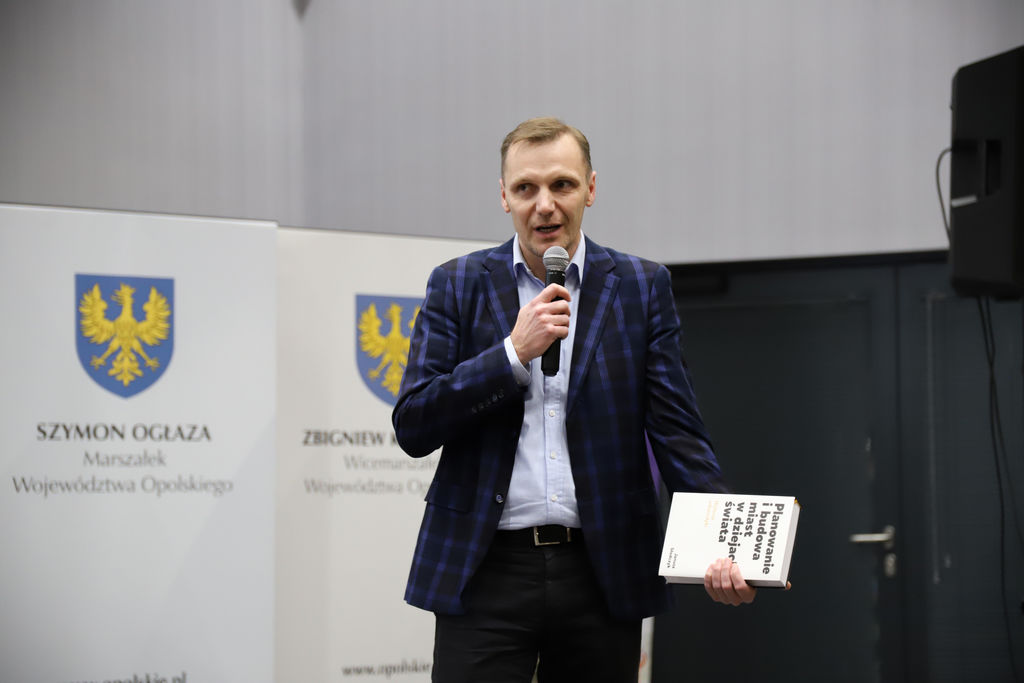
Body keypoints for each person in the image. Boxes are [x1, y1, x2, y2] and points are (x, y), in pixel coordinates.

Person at [392, 117, 756, 683]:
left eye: (561, 184)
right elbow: (414, 423)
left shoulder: (640, 286)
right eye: (526, 188)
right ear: (504, 197)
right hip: (484, 566)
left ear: (590, 187)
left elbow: (677, 431)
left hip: (603, 566)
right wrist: (512, 354)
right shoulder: (457, 283)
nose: (545, 205)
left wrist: (724, 541)